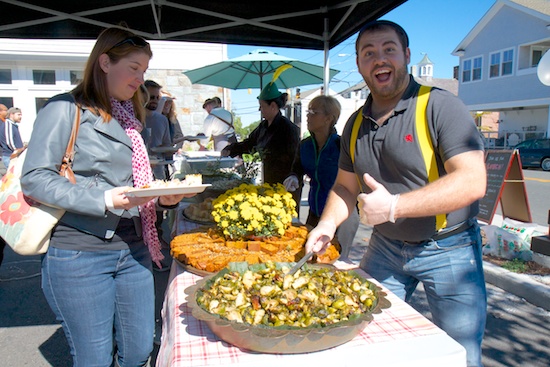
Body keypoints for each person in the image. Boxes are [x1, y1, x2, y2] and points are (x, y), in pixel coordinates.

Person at [304, 20, 487, 367]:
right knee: (363, 337)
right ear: (358, 64)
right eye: (368, 53)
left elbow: (472, 181)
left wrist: (395, 206)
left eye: (389, 49)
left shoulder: (439, 106)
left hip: (449, 248)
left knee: (460, 356)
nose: (379, 59)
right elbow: (345, 186)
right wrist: (326, 226)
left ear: (406, 56)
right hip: (386, 248)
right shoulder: (354, 123)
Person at [20, 27, 192, 366]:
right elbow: (35, 179)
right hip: (79, 254)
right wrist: (103, 199)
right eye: (133, 67)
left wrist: (160, 199)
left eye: (144, 71)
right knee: (94, 358)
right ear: (104, 62)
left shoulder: (130, 115)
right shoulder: (65, 109)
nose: (140, 79)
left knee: (140, 349)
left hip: (135, 248)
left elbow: (131, 184)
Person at [283, 95, 359, 262]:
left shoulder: (342, 146)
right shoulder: (305, 145)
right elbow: (297, 167)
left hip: (343, 214)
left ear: (328, 118)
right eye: (308, 111)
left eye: (313, 112)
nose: (307, 116)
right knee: (308, 256)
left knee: (335, 260)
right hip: (315, 210)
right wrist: (293, 177)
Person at [222, 81, 301, 205]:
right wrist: (231, 149)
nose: (259, 109)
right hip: (269, 181)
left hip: (287, 186)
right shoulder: (263, 127)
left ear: (273, 106)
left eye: (262, 106)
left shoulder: (289, 129)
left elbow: (295, 160)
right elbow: (249, 144)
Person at [143, 79, 172, 180]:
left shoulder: (162, 119)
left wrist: (170, 150)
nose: (155, 100)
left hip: (159, 173)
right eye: (151, 97)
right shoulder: (133, 119)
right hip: (139, 173)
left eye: (157, 97)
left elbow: (167, 144)